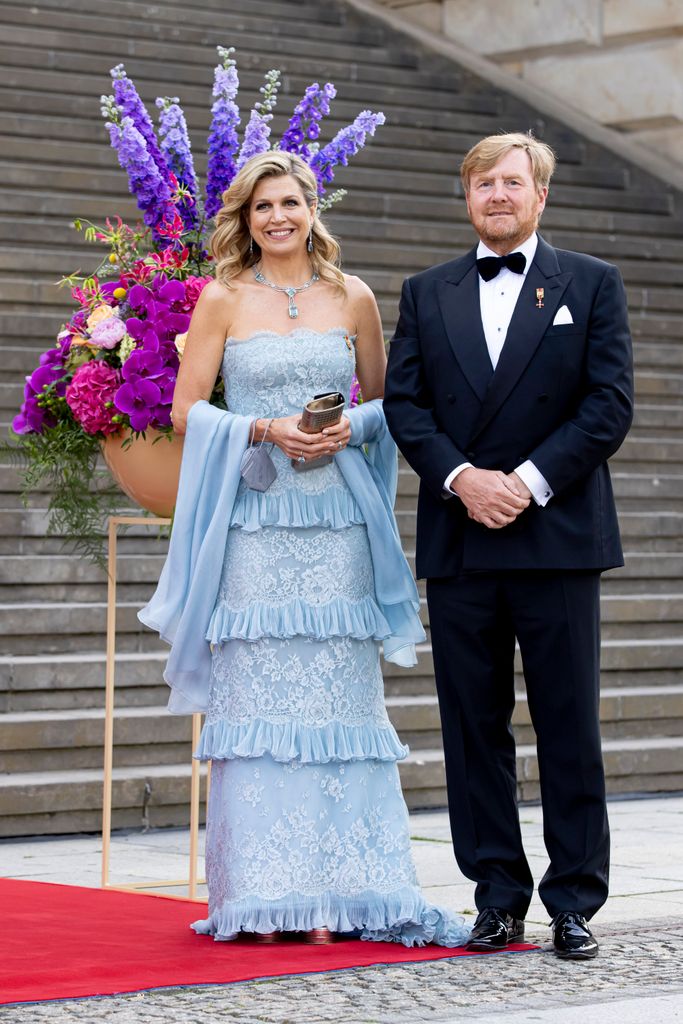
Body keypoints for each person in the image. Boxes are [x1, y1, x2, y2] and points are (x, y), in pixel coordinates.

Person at [140, 151, 469, 947]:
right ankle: (261, 894)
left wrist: (343, 428)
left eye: (289, 202)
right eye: (262, 207)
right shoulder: (220, 299)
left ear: (311, 207)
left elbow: (392, 402)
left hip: (338, 527)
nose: (277, 217)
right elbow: (186, 410)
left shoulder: (351, 296)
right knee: (258, 702)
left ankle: (352, 889)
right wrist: (263, 427)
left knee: (338, 702)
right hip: (256, 525)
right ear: (245, 219)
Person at [383, 132, 634, 960]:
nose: (497, 194)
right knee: (471, 727)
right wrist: (464, 478)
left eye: (511, 182)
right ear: (466, 197)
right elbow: (407, 406)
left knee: (568, 723)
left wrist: (521, 481)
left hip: (555, 536)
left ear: (539, 196)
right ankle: (496, 896)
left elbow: (606, 406)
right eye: (482, 182)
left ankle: (573, 901)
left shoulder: (591, 284)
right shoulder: (425, 292)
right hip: (461, 537)